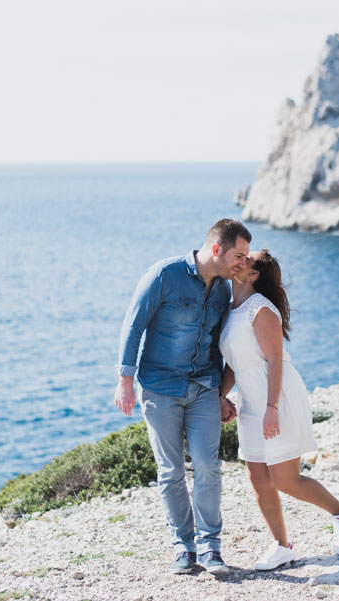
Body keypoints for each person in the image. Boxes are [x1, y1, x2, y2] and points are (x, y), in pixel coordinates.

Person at [114, 219, 251, 575]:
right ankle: (183, 547)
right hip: (160, 388)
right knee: (170, 470)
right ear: (216, 249)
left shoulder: (223, 290)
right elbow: (133, 325)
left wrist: (222, 393)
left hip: (204, 387)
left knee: (209, 465)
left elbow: (222, 344)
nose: (242, 263)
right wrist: (125, 380)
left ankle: (210, 547)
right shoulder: (164, 275)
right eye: (238, 255)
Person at [218, 249, 339, 571]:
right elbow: (234, 363)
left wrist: (271, 408)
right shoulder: (231, 310)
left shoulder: (262, 310)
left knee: (285, 480)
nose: (237, 261)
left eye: (245, 260)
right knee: (258, 478)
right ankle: (282, 546)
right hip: (250, 402)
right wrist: (219, 396)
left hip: (277, 399)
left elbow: (275, 361)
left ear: (253, 275)